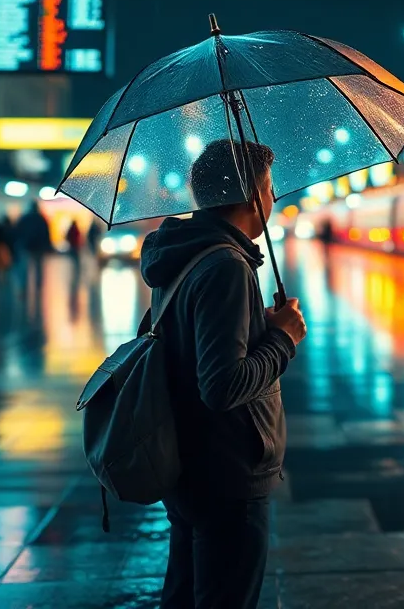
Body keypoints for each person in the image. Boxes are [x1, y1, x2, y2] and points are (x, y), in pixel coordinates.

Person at [145, 139, 306, 609]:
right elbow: (222, 385)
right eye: (271, 188)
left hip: (191, 462)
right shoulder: (225, 267)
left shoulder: (185, 255)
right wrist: (283, 338)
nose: (274, 199)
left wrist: (263, 327)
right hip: (229, 471)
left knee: (186, 595)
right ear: (253, 198)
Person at [15, 202, 52, 295]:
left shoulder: (25, 218)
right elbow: (46, 233)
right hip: (39, 247)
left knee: (25, 269)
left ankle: (24, 288)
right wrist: (47, 246)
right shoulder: (41, 218)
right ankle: (38, 287)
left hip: (26, 246)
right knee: (38, 268)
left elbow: (18, 231)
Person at [65, 220, 84, 285]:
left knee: (74, 258)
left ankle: (75, 267)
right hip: (75, 246)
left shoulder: (71, 229)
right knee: (76, 258)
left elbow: (67, 236)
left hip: (72, 246)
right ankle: (77, 268)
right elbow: (79, 237)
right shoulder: (76, 229)